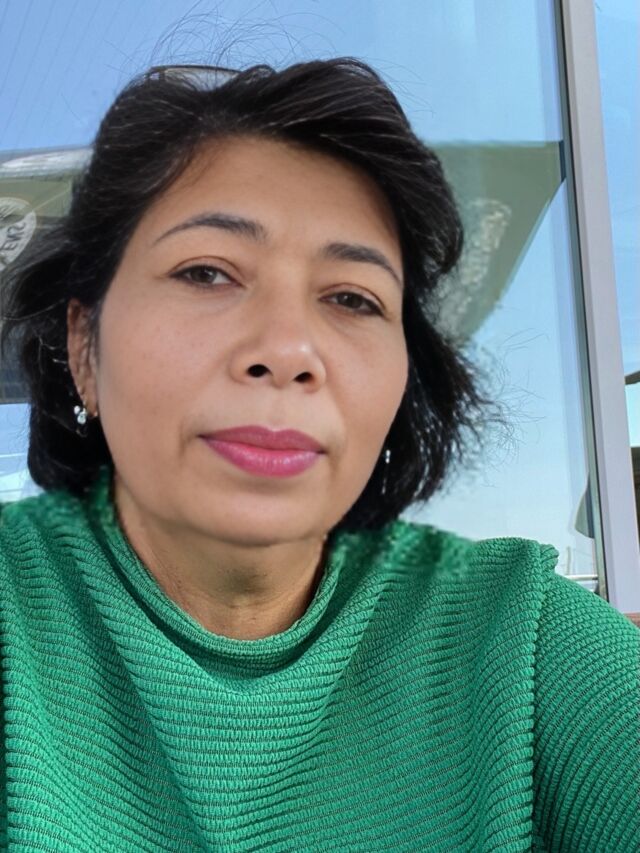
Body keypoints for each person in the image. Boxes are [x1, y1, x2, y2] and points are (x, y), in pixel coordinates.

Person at [0, 58, 637, 852]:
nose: (288, 349)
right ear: (84, 347)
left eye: (351, 298)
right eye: (207, 272)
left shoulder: (522, 643)